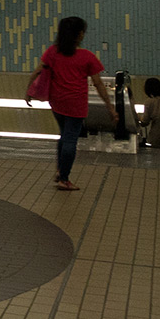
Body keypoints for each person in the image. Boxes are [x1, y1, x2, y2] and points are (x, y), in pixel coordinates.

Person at [29, 16, 116, 191]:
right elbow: (98, 84)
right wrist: (110, 106)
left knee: (63, 135)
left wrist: (28, 92)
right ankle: (64, 178)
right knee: (70, 139)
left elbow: (38, 71)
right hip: (76, 104)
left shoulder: (52, 52)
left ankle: (60, 170)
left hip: (57, 102)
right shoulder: (87, 57)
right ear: (79, 35)